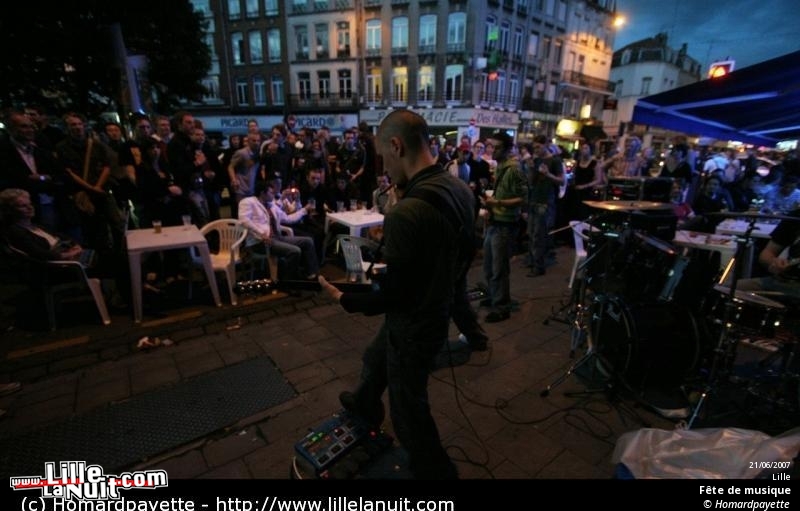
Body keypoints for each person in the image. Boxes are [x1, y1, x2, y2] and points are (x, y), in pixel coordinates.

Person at [318, 109, 475, 479]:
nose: (385, 170)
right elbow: (453, 252)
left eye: (384, 158)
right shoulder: (460, 189)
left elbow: (395, 294)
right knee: (375, 357)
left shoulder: (407, 211)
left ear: (396, 145)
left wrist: (344, 298)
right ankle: (363, 403)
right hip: (436, 307)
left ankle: (436, 471)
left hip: (415, 321)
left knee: (408, 411)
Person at [481, 131, 527, 322]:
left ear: (507, 149)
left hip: (505, 224)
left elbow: (523, 198)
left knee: (499, 267)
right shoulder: (500, 167)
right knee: (490, 265)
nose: (492, 150)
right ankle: (494, 297)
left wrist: (497, 203)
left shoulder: (514, 169)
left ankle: (501, 307)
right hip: (495, 222)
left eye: (497, 147)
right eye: (491, 146)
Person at [237, 180, 318, 280]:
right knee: (295, 251)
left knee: (308, 241)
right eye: (271, 192)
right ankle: (289, 281)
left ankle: (311, 274)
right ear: (263, 193)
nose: (273, 194)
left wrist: (304, 210)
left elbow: (288, 219)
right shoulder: (248, 202)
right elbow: (243, 220)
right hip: (259, 242)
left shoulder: (271, 205)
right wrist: (261, 234)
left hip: (277, 238)